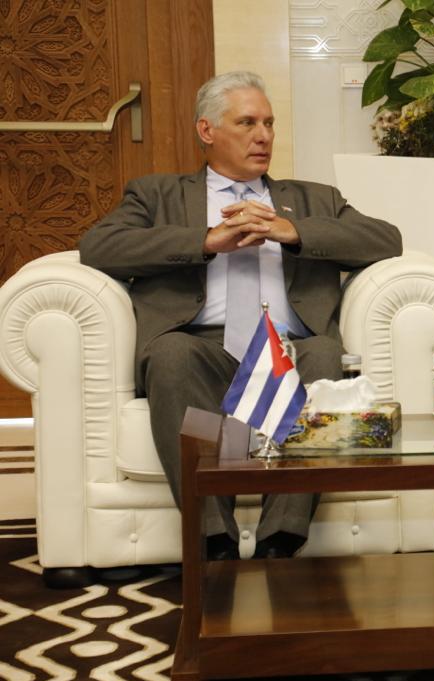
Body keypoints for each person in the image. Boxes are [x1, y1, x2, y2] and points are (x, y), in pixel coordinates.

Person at [78, 71, 402, 561]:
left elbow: (385, 240)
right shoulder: (157, 195)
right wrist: (205, 242)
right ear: (207, 130)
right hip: (201, 348)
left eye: (269, 123)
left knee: (325, 351)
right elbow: (99, 246)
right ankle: (214, 541)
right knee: (170, 352)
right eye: (247, 122)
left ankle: (281, 538)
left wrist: (291, 231)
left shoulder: (315, 198)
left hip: (290, 350)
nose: (264, 135)